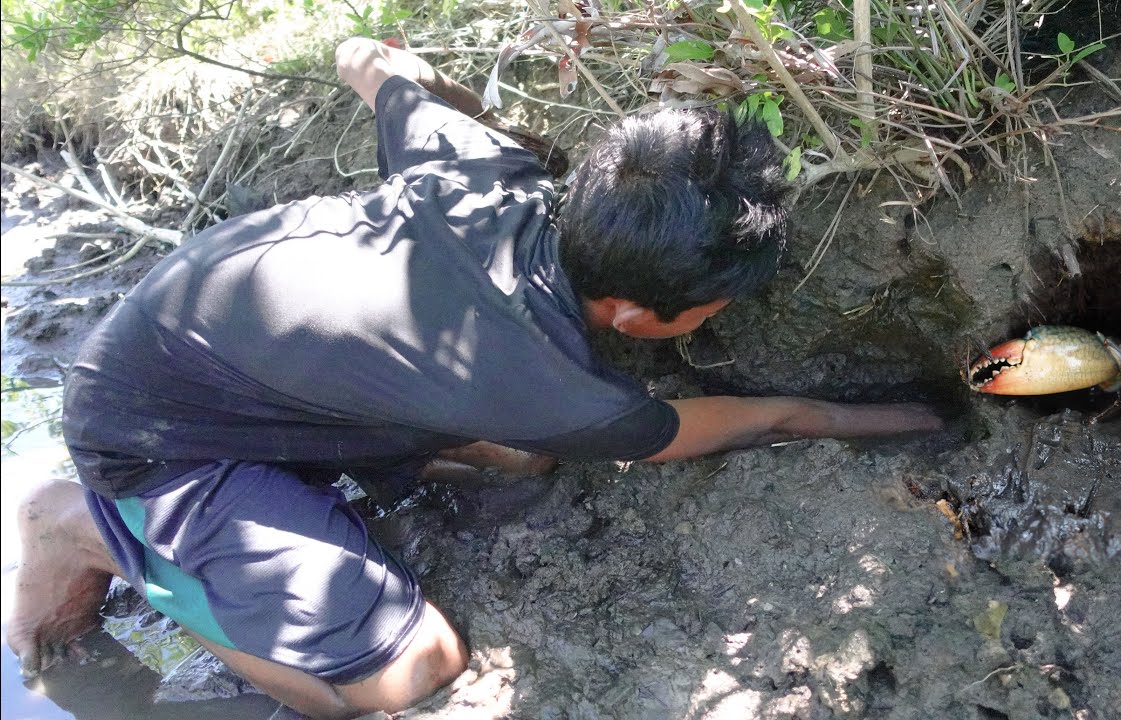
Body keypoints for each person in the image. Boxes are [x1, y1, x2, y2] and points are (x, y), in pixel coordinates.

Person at [6, 37, 942, 719]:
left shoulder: (488, 166)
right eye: (714, 307)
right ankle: (89, 529)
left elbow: (369, 62)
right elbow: (763, 420)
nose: (718, 319)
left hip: (218, 351)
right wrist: (923, 412)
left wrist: (424, 81)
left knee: (526, 463)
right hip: (155, 442)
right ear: (632, 316)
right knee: (397, 675)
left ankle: (280, 490)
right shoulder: (548, 387)